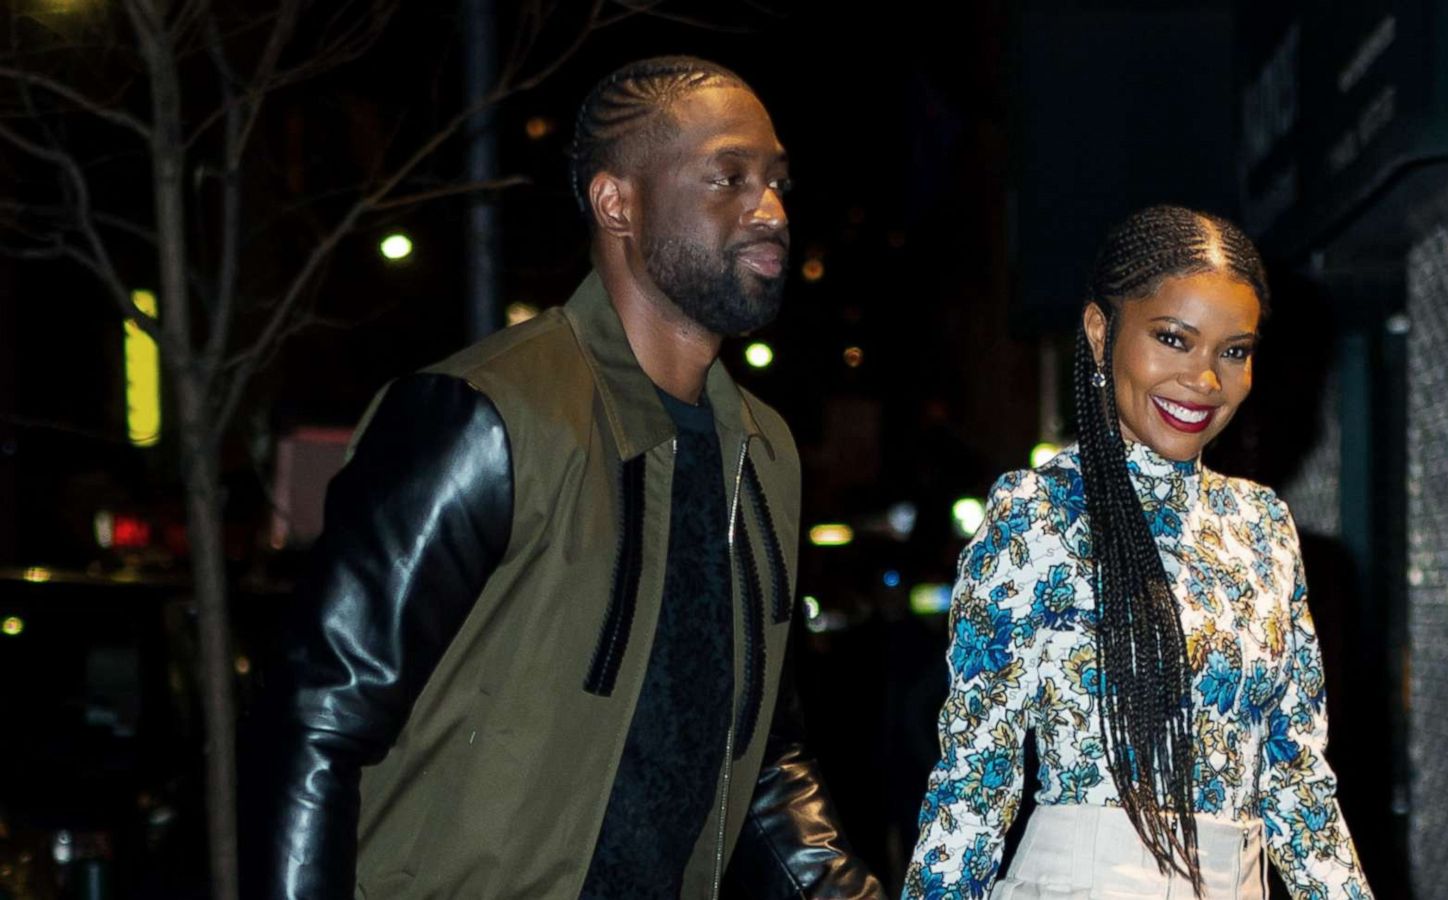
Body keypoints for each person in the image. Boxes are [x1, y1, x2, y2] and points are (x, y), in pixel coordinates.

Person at [248, 56, 884, 900]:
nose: (769, 210)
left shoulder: (764, 453)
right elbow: (318, 722)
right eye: (729, 177)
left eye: (776, 182)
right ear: (616, 202)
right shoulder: (483, 419)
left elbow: (763, 755)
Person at [902, 206, 1372, 900]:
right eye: (1174, 339)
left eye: (1233, 351)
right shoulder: (1034, 515)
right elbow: (975, 783)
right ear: (1100, 333)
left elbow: (1296, 779)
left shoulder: (1262, 525)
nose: (1205, 379)